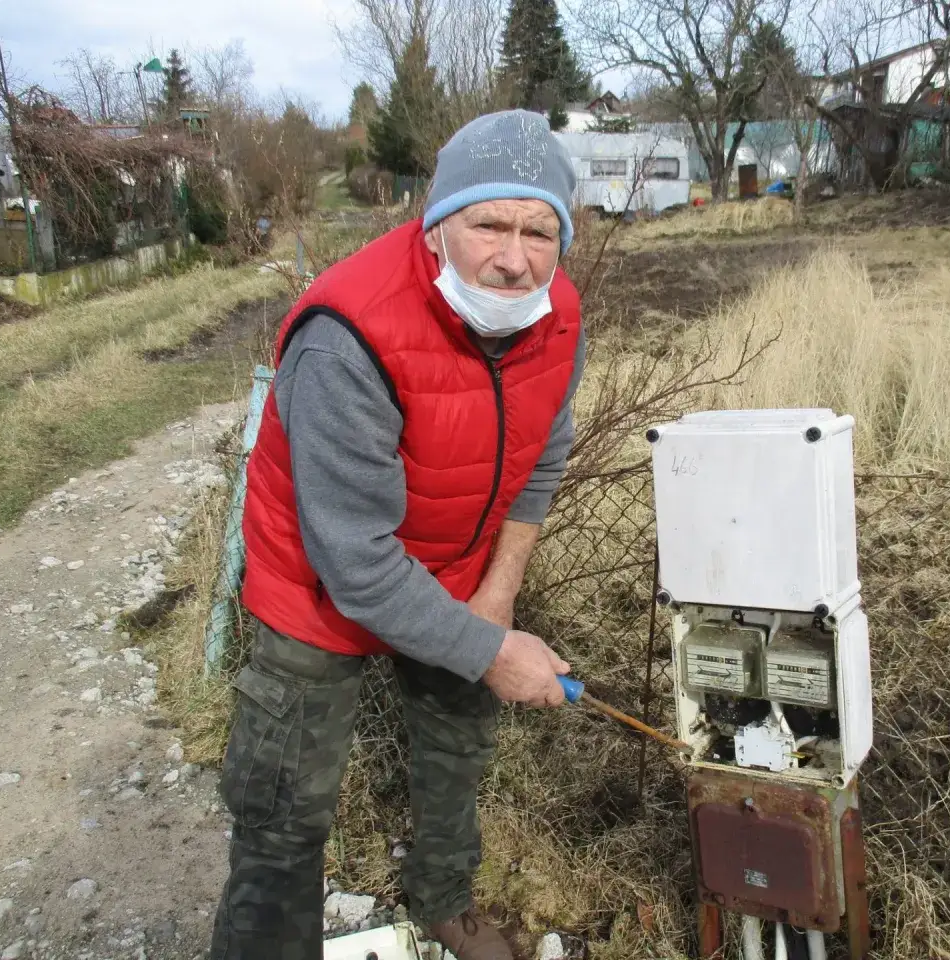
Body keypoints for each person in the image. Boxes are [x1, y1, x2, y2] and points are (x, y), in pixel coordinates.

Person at [211, 110, 585, 960]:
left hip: (453, 566)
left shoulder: (556, 312)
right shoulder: (346, 336)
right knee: (284, 806)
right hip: (318, 581)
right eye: (489, 223)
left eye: (540, 230)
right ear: (436, 223)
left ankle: (445, 901)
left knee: (457, 743)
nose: (514, 257)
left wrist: (495, 597)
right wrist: (493, 653)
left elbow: (544, 451)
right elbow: (357, 564)